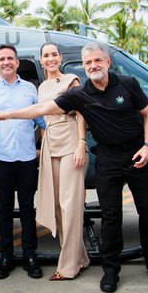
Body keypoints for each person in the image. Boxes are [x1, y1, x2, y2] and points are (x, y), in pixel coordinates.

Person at [0, 42, 148, 293]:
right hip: (107, 156)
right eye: (88, 63)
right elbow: (42, 109)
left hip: (136, 152)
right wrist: (7, 115)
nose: (93, 65)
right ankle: (111, 271)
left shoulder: (128, 83)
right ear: (84, 67)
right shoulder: (80, 94)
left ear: (107, 62)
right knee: (110, 216)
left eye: (97, 61)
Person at [0, 44, 46, 280]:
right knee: (4, 210)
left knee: (27, 209)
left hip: (26, 157)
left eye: (10, 58)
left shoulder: (30, 89)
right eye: (2, 59)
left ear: (17, 62)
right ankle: (6, 256)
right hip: (1, 157)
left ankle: (30, 256)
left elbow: (42, 120)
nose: (6, 62)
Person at [36, 43, 89, 281]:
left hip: (70, 142)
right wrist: (42, 147)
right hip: (50, 144)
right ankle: (82, 258)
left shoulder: (71, 80)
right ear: (40, 60)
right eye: (46, 55)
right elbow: (43, 119)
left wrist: (81, 144)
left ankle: (68, 266)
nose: (50, 58)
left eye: (54, 54)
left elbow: (81, 114)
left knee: (70, 206)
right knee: (57, 206)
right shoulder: (42, 87)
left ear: (60, 58)